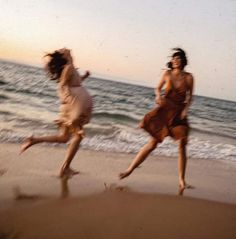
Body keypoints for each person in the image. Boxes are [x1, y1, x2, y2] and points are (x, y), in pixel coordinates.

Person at [119, 48, 194, 190]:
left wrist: (186, 109)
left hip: (179, 114)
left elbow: (190, 97)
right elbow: (157, 88)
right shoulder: (167, 74)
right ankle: (129, 170)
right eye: (174, 58)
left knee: (182, 144)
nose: (176, 60)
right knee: (153, 143)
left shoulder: (189, 77)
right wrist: (158, 96)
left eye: (178, 58)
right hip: (164, 112)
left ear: (183, 61)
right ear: (171, 61)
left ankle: (182, 180)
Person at [20, 48, 93, 177]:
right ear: (64, 56)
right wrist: (70, 100)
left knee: (64, 138)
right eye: (63, 50)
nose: (66, 48)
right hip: (73, 106)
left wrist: (84, 77)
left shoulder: (71, 68)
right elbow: (62, 86)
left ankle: (35, 140)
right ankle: (65, 168)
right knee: (78, 136)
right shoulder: (68, 67)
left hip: (70, 106)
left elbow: (74, 82)